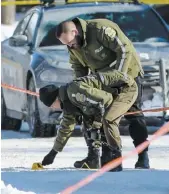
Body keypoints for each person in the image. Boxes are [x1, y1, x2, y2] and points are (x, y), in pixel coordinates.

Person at [55, 17, 150, 169]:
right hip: (103, 79)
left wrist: (119, 77)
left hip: (128, 74)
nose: (70, 47)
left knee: (134, 115)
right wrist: (81, 90)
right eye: (67, 45)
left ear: (75, 31)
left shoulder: (100, 29)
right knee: (98, 114)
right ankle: (104, 157)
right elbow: (78, 67)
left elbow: (124, 49)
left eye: (70, 42)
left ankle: (143, 155)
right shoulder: (73, 46)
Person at [40, 70, 138, 171]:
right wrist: (53, 152)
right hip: (110, 95)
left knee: (108, 119)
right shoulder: (68, 103)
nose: (52, 108)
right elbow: (66, 128)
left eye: (51, 106)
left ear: (55, 99)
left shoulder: (75, 91)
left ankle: (115, 158)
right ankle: (93, 159)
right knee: (88, 120)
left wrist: (97, 123)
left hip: (126, 88)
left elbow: (105, 99)